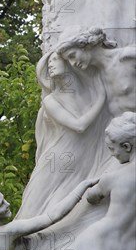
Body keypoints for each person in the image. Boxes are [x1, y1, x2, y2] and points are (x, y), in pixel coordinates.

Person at [1, 112, 136, 250]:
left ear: (126, 146)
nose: (112, 155)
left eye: (112, 149)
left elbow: (92, 196)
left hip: (98, 245)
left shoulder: (115, 178)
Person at [15, 50, 108, 217]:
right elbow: (79, 126)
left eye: (55, 59)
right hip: (58, 159)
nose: (50, 64)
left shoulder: (86, 94)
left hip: (81, 159)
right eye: (48, 61)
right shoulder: (51, 100)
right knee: (36, 206)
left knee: (73, 208)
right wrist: (101, 97)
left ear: (68, 63)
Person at [57, 27, 135, 117]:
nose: (72, 63)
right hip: (118, 127)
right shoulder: (97, 76)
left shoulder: (126, 57)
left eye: (72, 56)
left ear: (84, 45)